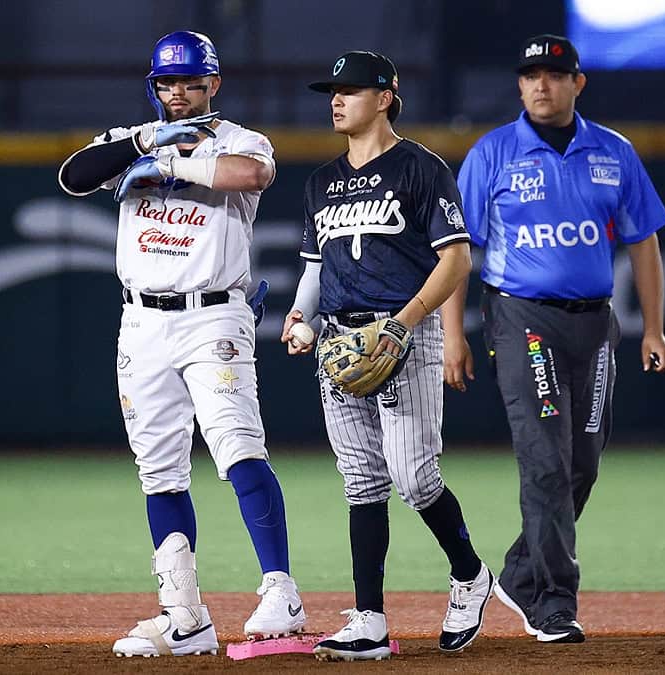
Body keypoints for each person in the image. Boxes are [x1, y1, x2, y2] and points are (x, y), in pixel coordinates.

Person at [57, 30, 305, 658]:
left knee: (237, 446)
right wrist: (141, 143)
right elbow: (73, 176)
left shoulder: (238, 139)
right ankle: (185, 616)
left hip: (211, 316)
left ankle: (281, 589)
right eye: (168, 83)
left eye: (192, 81)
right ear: (154, 87)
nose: (179, 93)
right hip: (141, 323)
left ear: (213, 83)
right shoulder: (130, 138)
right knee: (159, 469)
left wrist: (171, 163)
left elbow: (253, 174)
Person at [454, 34, 665, 644]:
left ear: (578, 83)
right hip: (522, 317)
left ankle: (523, 573)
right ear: (519, 86)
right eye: (530, 76)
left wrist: (653, 327)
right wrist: (454, 336)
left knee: (582, 462)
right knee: (545, 461)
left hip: (596, 322)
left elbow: (644, 240)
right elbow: (457, 252)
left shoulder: (614, 151)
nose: (541, 86)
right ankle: (554, 601)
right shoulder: (493, 153)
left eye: (554, 75)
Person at [281, 50, 494, 661]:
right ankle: (370, 620)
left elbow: (456, 259)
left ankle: (469, 574)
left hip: (405, 333)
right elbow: (315, 266)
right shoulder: (322, 181)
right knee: (361, 482)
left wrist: (405, 323)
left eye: (350, 90)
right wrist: (302, 315)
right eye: (333, 91)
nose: (336, 99)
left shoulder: (421, 168)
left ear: (385, 96)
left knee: (415, 475)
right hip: (340, 344)